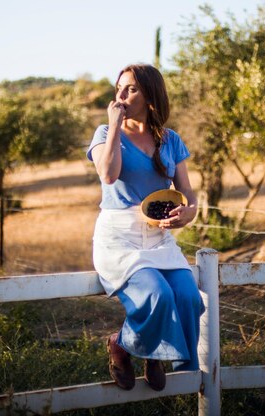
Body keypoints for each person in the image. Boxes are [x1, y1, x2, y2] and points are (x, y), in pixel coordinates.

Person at [86, 63, 205, 391]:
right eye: (119, 88)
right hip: (120, 239)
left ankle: (155, 355)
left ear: (150, 95)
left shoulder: (171, 140)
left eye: (131, 89)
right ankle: (121, 346)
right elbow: (108, 175)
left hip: (158, 239)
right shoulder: (104, 135)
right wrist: (114, 125)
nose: (121, 96)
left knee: (188, 297)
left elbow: (190, 200)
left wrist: (186, 214)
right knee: (157, 294)